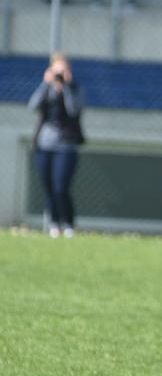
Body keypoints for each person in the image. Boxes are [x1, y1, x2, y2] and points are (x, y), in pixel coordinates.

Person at [28, 52, 85, 239]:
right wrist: (46, 83)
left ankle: (68, 224)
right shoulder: (47, 89)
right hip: (45, 145)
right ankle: (54, 224)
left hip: (66, 145)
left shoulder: (75, 89)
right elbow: (33, 105)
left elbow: (74, 109)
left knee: (61, 187)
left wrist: (66, 86)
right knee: (49, 187)